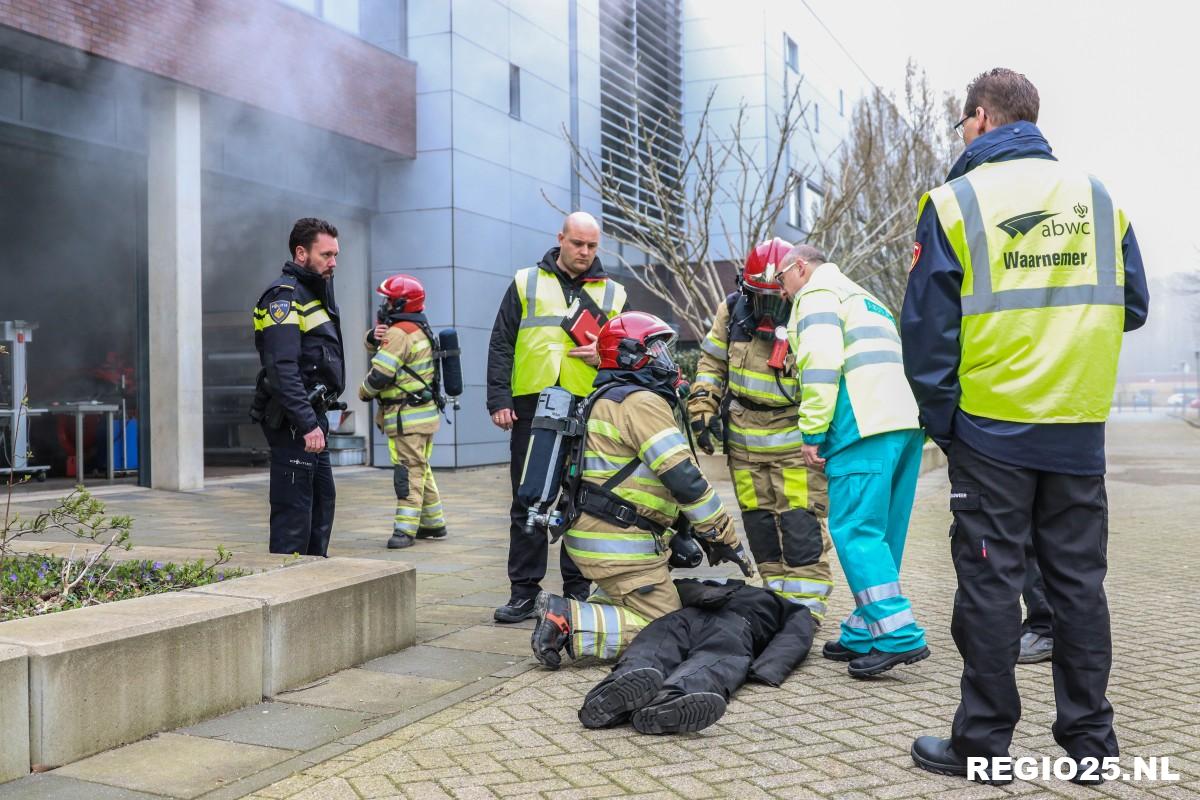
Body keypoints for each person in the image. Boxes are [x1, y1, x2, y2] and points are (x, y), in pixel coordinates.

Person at [901, 68, 1149, 784]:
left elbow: (926, 332)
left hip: (990, 429)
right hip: (1075, 426)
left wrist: (945, 421)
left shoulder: (953, 202)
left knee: (988, 584)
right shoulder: (1099, 200)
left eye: (962, 123)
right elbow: (1131, 306)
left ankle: (982, 749)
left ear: (980, 118)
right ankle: (1093, 748)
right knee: (1077, 587)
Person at [529, 311, 752, 670]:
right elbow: (684, 478)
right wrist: (723, 534)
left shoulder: (604, 397)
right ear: (630, 354)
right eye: (656, 349)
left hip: (595, 536)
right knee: (670, 628)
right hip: (620, 547)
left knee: (637, 606)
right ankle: (567, 619)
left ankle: (593, 608)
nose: (665, 359)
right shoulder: (639, 403)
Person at [777, 243, 929, 679]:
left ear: (800, 267)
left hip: (860, 426)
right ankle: (866, 627)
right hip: (903, 425)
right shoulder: (867, 298)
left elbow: (821, 365)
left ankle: (899, 634)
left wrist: (812, 432)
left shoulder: (817, 297)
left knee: (855, 530)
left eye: (782, 280)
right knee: (882, 534)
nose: (783, 292)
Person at [486, 212, 628, 623]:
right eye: (577, 243)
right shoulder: (526, 282)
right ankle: (524, 592)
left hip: (591, 403)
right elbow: (501, 342)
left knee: (583, 499)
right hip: (533, 403)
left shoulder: (614, 292)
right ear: (560, 239)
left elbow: (632, 352)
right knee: (529, 497)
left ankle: (578, 590)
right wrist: (499, 398)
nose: (584, 252)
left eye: (591, 246)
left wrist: (604, 354)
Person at [688, 237, 835, 622]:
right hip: (744, 441)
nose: (770, 307)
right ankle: (776, 602)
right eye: (761, 297)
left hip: (794, 441)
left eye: (777, 297)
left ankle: (806, 613)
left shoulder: (812, 311)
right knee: (759, 523)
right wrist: (702, 404)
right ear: (745, 288)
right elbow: (711, 362)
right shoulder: (733, 310)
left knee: (799, 522)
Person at [578, 578, 815, 735]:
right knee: (658, 648)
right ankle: (628, 693)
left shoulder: (785, 605)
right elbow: (677, 585)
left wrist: (768, 667)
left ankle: (668, 700)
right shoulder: (716, 585)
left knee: (703, 658)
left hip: (733, 625)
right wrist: (706, 593)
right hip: (689, 616)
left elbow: (798, 632)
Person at [251, 218, 345, 557]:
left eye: (336, 255)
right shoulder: (284, 298)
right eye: (326, 254)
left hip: (311, 416)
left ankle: (314, 581)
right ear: (301, 253)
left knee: (321, 502)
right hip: (294, 420)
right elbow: (282, 367)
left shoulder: (315, 293)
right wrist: (306, 423)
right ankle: (285, 587)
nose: (333, 262)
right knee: (295, 513)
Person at [359, 274, 447, 549]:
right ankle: (433, 522)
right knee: (420, 467)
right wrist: (373, 336)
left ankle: (405, 530)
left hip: (405, 418)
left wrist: (363, 392)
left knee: (408, 472)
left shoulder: (399, 333)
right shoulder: (417, 328)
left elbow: (381, 374)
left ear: (401, 302)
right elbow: (385, 346)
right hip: (423, 415)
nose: (384, 304)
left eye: (388, 299)